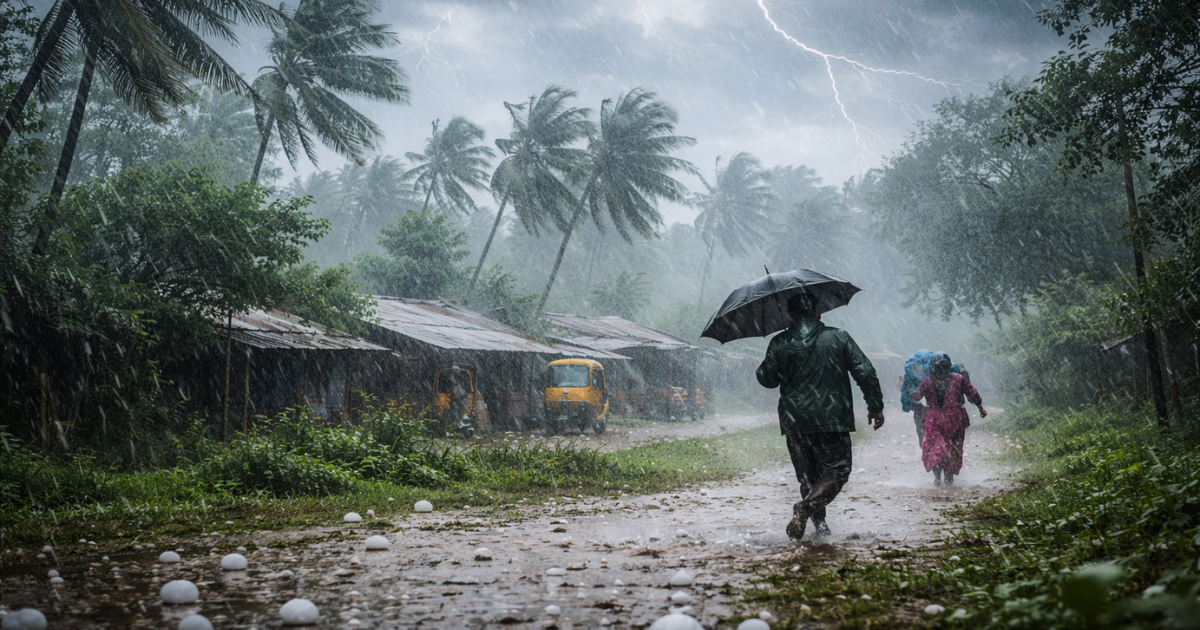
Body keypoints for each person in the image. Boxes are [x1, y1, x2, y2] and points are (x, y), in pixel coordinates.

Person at [756, 291, 885, 540]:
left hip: (795, 421)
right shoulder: (838, 337)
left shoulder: (779, 343)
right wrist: (875, 405)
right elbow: (865, 372)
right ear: (818, 312)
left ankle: (820, 528)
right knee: (836, 472)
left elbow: (766, 379)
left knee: (808, 476)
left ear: (790, 314)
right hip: (832, 418)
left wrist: (785, 359)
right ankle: (806, 510)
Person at [911, 352, 986, 486]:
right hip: (952, 419)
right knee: (947, 449)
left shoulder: (928, 381)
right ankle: (944, 478)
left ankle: (942, 477)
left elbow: (916, 396)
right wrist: (980, 406)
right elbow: (972, 393)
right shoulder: (957, 379)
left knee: (940, 448)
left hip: (936, 419)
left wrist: (911, 393)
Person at [901, 349, 934, 446]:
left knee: (922, 430)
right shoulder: (933, 375)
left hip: (923, 407)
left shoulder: (911, 374)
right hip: (931, 407)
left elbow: (906, 393)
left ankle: (927, 451)